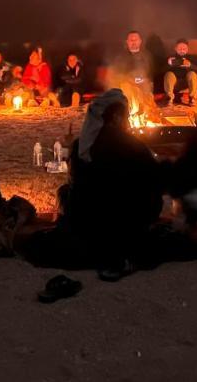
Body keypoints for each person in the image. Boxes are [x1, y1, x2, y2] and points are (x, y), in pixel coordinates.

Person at [62, 89, 165, 269]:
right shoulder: (134, 146)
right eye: (125, 116)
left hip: (89, 221)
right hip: (126, 220)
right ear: (117, 117)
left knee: (65, 192)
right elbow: (155, 184)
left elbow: (76, 183)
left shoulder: (82, 145)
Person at [109, 31, 155, 111]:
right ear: (127, 42)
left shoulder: (147, 56)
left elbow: (150, 73)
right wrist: (129, 79)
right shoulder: (121, 57)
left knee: (147, 90)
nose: (133, 42)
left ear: (140, 41)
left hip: (143, 83)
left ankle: (145, 111)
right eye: (131, 40)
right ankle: (129, 112)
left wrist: (144, 79)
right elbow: (117, 74)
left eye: (135, 40)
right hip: (127, 83)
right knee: (127, 89)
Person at [162, 39, 197, 106]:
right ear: (175, 48)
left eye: (184, 48)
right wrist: (169, 64)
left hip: (186, 83)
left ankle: (192, 98)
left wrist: (190, 65)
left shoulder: (191, 58)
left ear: (187, 49)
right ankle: (169, 98)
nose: (182, 50)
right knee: (169, 74)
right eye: (180, 48)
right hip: (173, 84)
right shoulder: (171, 58)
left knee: (192, 74)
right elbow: (160, 70)